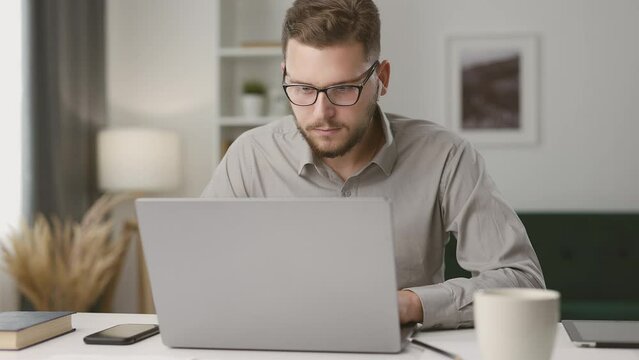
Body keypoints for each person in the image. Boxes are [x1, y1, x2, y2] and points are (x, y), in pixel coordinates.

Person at [202, 0, 544, 329]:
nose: (321, 113)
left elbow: (522, 282)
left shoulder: (446, 157)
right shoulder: (250, 155)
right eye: (303, 88)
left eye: (343, 88)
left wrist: (412, 304)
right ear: (284, 74)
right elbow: (200, 274)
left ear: (382, 78)